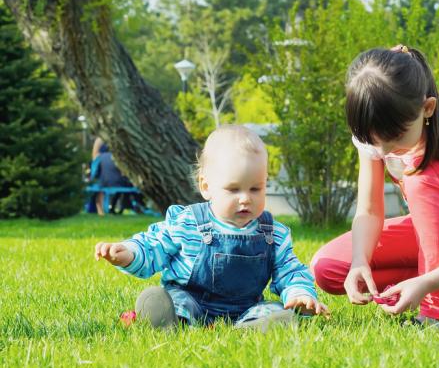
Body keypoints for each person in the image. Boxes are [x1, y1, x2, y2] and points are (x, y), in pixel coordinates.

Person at [310, 45, 439, 326]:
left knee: (421, 175)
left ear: (427, 109)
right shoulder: (375, 134)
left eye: (395, 138)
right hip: (435, 226)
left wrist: (427, 283)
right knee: (329, 269)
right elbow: (370, 211)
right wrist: (360, 261)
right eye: (373, 141)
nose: (384, 150)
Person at [94, 125, 328, 330]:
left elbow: (290, 270)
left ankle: (254, 327)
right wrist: (128, 253)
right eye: (234, 189)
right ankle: (169, 318)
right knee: (176, 302)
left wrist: (300, 294)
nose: (245, 198)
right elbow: (153, 245)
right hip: (190, 300)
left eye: (256, 189)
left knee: (273, 309)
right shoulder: (188, 223)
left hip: (245, 308)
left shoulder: (272, 233)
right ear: (206, 186)